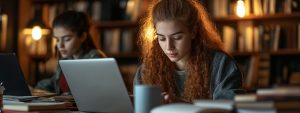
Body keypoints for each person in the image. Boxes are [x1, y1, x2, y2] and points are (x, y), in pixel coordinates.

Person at [134, 0, 245, 103]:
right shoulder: (146, 70)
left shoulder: (221, 65)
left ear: (193, 32)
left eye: (177, 37)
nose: (169, 47)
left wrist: (180, 106)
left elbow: (228, 109)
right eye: (162, 38)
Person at [35, 11, 106, 95]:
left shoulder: (95, 58)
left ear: (82, 37)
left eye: (67, 39)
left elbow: (90, 91)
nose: (60, 45)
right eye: (57, 39)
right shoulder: (65, 59)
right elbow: (53, 82)